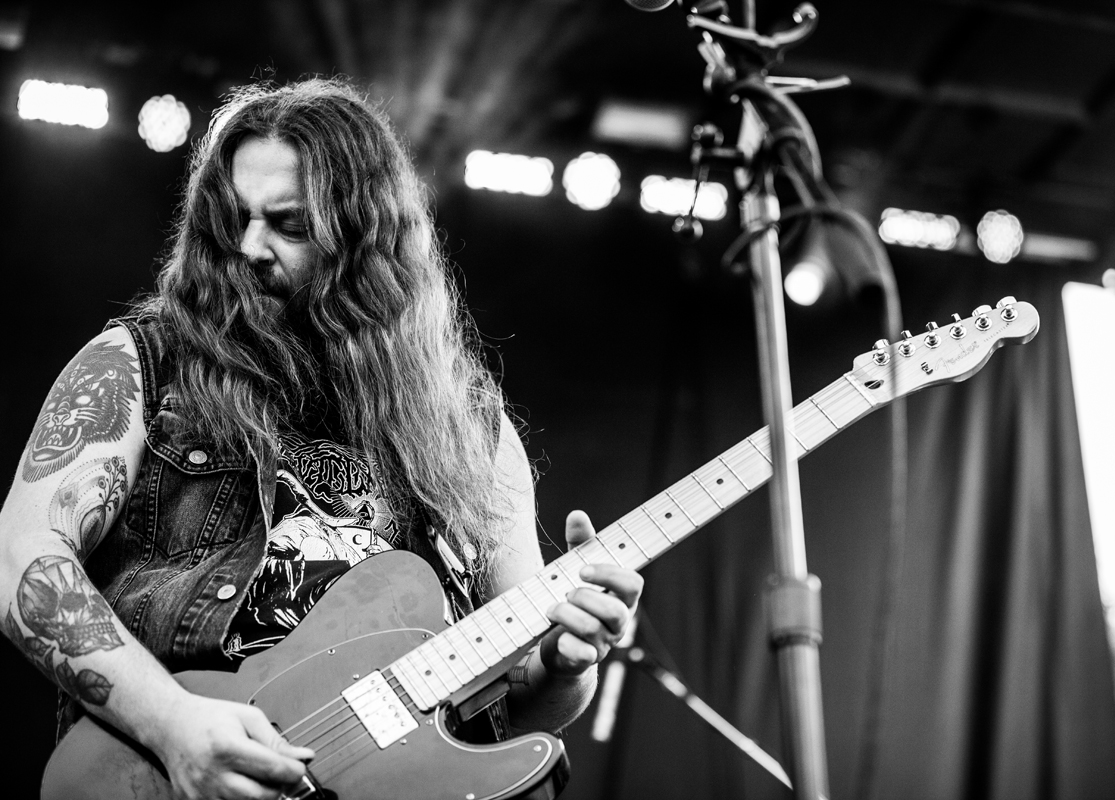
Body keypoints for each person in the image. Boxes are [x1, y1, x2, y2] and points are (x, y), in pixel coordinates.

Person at [0, 77, 643, 799]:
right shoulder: (145, 363)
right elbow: (25, 557)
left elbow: (525, 697)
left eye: (290, 224)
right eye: (234, 218)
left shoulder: (474, 433)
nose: (247, 247)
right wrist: (173, 725)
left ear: (367, 239)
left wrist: (568, 660)